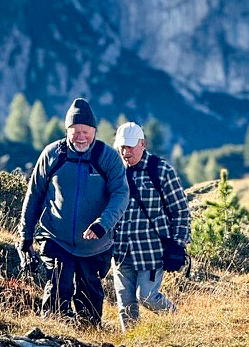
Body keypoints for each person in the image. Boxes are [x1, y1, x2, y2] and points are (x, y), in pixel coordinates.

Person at [16, 98, 128, 326]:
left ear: (94, 131)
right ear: (67, 130)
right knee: (58, 286)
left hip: (95, 244)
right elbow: (34, 194)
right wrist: (25, 236)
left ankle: (86, 342)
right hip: (57, 238)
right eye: (75, 131)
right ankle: (52, 337)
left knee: (90, 300)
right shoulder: (52, 155)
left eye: (86, 131)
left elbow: (121, 194)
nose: (81, 136)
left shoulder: (107, 158)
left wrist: (102, 224)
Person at [111, 121, 191, 331]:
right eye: (122, 147)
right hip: (121, 250)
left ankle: (180, 324)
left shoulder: (161, 170)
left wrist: (178, 244)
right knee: (125, 306)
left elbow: (180, 210)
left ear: (142, 144)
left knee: (146, 296)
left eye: (129, 146)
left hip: (151, 251)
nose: (125, 152)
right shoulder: (114, 172)